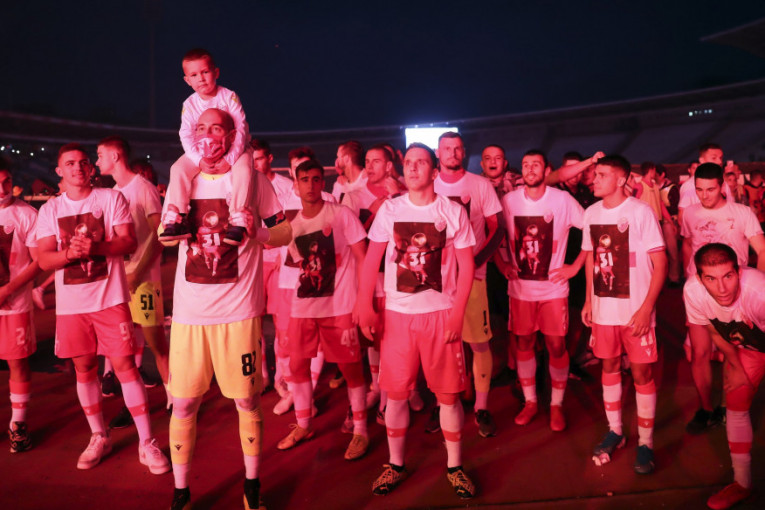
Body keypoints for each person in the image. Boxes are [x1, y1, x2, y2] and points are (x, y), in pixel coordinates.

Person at [165, 108, 291, 510]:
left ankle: (252, 486)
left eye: (216, 128)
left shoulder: (252, 179)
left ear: (231, 134)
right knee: (184, 403)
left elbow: (285, 231)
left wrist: (259, 232)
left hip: (238, 313)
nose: (207, 135)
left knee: (247, 401)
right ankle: (181, 492)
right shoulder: (184, 179)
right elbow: (165, 236)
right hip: (189, 315)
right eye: (200, 128)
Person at [36, 143, 170, 473]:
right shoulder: (50, 210)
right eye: (70, 163)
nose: (78, 167)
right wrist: (70, 254)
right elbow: (43, 258)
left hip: (110, 300)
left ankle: (146, 442)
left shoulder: (111, 199)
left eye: (84, 162)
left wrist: (96, 247)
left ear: (91, 168)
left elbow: (129, 241)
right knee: (84, 369)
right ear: (59, 170)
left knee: (125, 367)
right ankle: (99, 435)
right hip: (72, 306)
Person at [359, 142, 477, 498]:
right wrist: (365, 305)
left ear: (434, 170)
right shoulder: (390, 209)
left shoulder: (451, 211)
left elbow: (468, 266)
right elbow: (371, 260)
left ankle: (455, 467)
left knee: (448, 397)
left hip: (440, 314)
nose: (411, 168)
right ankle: (395, 464)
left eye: (420, 162)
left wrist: (457, 314)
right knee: (395, 396)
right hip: (398, 316)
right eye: (408, 162)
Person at [276, 159, 369, 460]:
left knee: (351, 368)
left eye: (316, 179)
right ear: (296, 185)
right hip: (303, 306)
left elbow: (363, 257)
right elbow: (299, 266)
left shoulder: (341, 214)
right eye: (305, 180)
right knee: (297, 367)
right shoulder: (293, 226)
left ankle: (360, 429)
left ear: (323, 183)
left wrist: (363, 300)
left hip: (339, 306)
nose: (311, 185)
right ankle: (304, 425)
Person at [581, 155, 667, 474]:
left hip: (635, 313)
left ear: (620, 180)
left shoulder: (640, 212)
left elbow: (661, 264)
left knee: (642, 374)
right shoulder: (591, 213)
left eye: (601, 175)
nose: (594, 179)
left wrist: (646, 309)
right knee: (609, 367)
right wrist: (589, 301)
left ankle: (646, 443)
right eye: (595, 174)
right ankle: (615, 430)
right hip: (604, 310)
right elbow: (591, 259)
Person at [499, 150, 586, 432]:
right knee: (523, 344)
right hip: (521, 291)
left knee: (556, 346)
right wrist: (501, 264)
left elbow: (592, 227)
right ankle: (531, 401)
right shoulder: (509, 201)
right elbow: (494, 234)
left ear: (547, 170)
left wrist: (575, 266)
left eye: (535, 164)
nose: (530, 169)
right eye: (525, 165)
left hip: (553, 290)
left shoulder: (562, 200)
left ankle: (556, 404)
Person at [680, 162, 765, 434]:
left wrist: (756, 287)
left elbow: (762, 250)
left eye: (710, 189)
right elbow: (687, 243)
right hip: (701, 294)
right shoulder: (690, 213)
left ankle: (729, 407)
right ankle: (706, 409)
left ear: (722, 187)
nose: (704, 195)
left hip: (733, 294)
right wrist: (687, 276)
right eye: (699, 190)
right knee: (699, 352)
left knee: (734, 348)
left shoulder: (741, 213)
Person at [432, 132, 505, 438]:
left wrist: (475, 263)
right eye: (447, 148)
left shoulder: (479, 184)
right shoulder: (428, 185)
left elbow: (498, 228)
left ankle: (481, 407)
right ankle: (443, 404)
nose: (452, 153)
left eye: (457, 148)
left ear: (464, 153)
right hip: (435, 282)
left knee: (478, 343)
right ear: (438, 153)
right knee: (441, 345)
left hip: (472, 278)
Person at [95, 136, 171, 426]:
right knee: (123, 350)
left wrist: (138, 273)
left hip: (144, 281)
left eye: (100, 155)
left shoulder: (143, 188)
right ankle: (133, 404)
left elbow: (161, 235)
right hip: (119, 282)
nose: (97, 161)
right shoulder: (113, 193)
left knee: (156, 345)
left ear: (115, 156)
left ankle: (174, 400)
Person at [683, 243, 765, 509]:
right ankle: (743, 484)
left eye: (728, 276)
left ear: (739, 272)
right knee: (736, 403)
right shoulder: (693, 292)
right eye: (711, 278)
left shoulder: (759, 292)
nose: (722, 288)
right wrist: (737, 366)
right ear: (699, 278)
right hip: (752, 347)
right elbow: (714, 330)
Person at [342, 145, 410, 421]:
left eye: (376, 161)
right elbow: (349, 239)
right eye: (367, 161)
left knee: (393, 338)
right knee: (372, 338)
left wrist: (396, 197)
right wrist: (372, 212)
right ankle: (377, 387)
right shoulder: (353, 196)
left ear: (389, 165)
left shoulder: (405, 193)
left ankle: (399, 393)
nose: (369, 166)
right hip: (370, 277)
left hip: (398, 277)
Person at [159, 48, 253, 246]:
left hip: (235, 150)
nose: (201, 78)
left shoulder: (229, 96)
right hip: (202, 153)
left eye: (205, 72)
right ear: (187, 80)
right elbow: (185, 135)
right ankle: (179, 218)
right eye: (194, 75)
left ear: (216, 72)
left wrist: (230, 159)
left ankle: (238, 219)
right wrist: (199, 160)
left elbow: (240, 129)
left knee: (244, 169)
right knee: (177, 168)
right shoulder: (189, 104)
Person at [270, 147, 335, 416]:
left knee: (315, 342)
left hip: (319, 283)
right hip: (287, 282)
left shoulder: (329, 200)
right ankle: (293, 392)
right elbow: (273, 237)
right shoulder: (280, 201)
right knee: (286, 340)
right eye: (299, 171)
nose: (304, 177)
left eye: (309, 171)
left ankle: (303, 397)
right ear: (292, 173)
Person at [0, 164, 41, 453]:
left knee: (17, 363)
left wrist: (7, 290)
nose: (2, 189)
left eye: (6, 182)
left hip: (15, 305)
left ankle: (18, 424)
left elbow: (39, 261)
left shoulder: (27, 214)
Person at [251, 139, 294, 390]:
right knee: (253, 320)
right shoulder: (244, 185)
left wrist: (283, 251)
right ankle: (262, 373)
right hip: (254, 263)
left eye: (259, 159)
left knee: (281, 322)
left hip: (278, 262)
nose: (255, 164)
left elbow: (292, 225)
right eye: (251, 160)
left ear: (269, 159)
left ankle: (283, 376)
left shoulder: (286, 187)